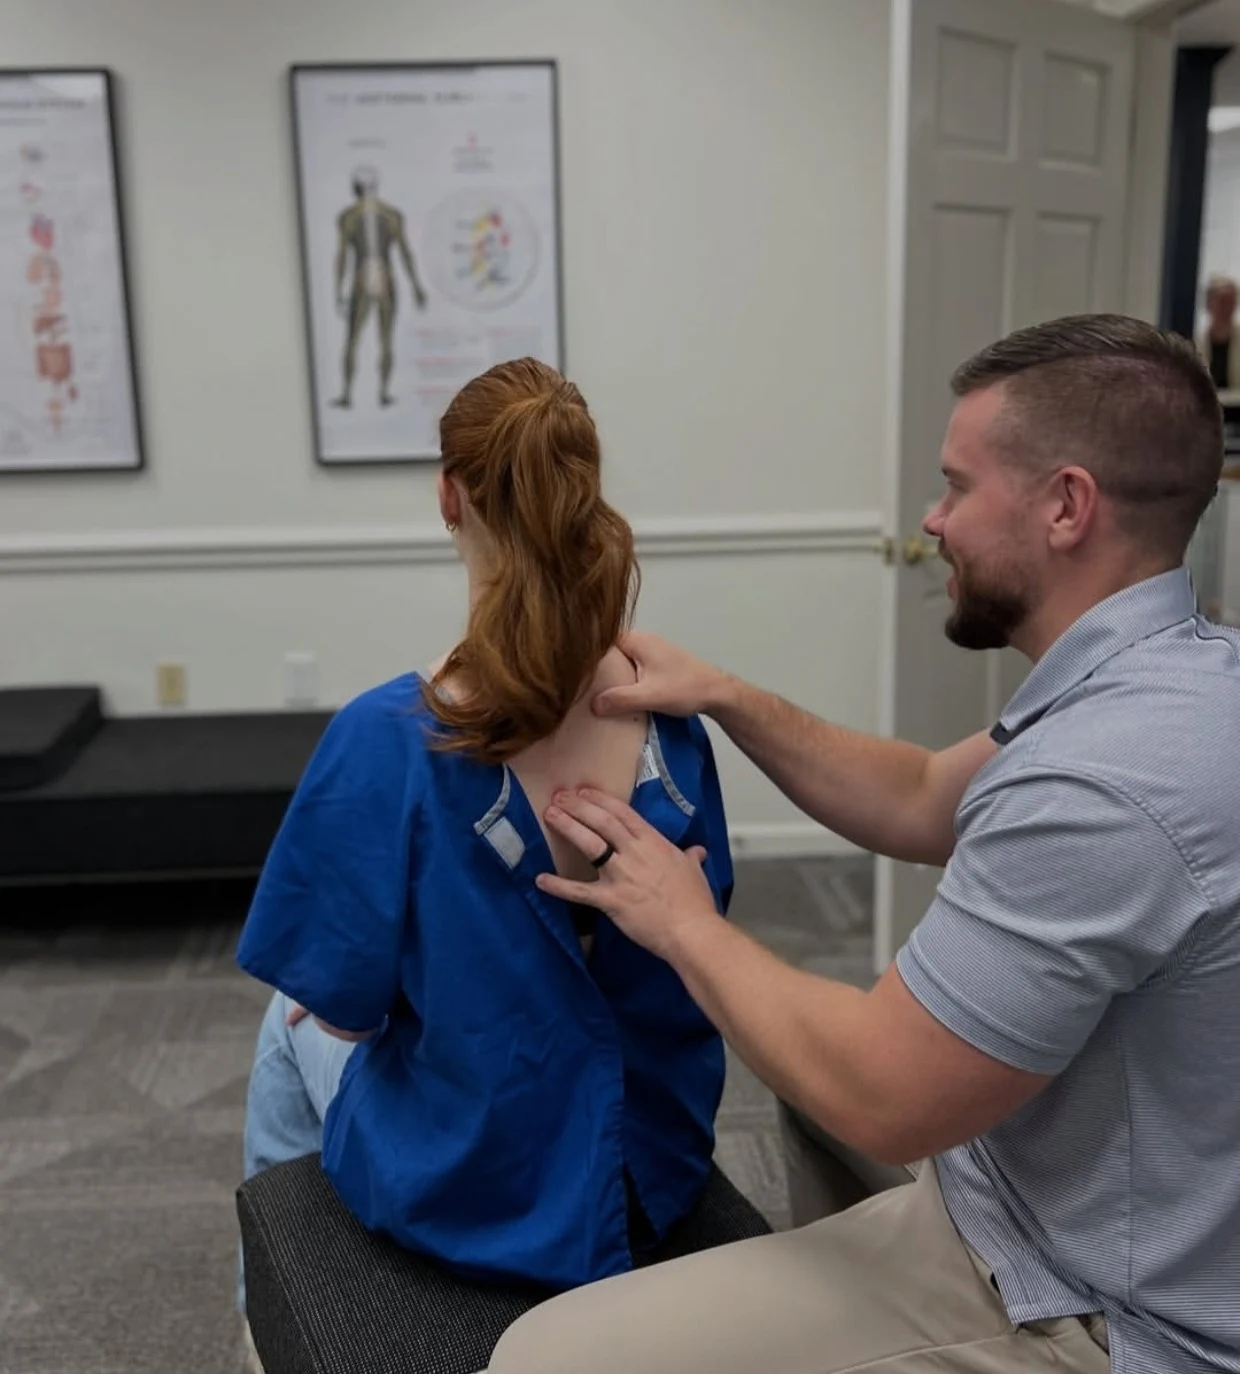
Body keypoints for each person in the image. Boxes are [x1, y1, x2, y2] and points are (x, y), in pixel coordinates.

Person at [487, 316, 1240, 1374]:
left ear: (1066, 505)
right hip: (1046, 1182)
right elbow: (923, 794)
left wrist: (682, 924)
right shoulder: (1177, 671)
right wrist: (731, 697)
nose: (930, 520)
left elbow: (882, 1099)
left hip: (1097, 1308)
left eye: (956, 486)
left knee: (542, 1358)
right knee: (808, 1092)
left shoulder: (1108, 784)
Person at [235, 360, 733, 1318]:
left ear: (448, 496)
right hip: (650, 1172)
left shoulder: (390, 740)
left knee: (285, 1022)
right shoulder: (674, 727)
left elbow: (343, 1016)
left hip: (478, 1198)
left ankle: (276, 1311)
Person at [331, 165, 428, 409]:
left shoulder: (349, 216)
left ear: (356, 187)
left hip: (363, 274)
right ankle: (383, 394)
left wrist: (338, 291)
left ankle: (347, 395)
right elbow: (405, 252)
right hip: (385, 275)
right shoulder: (391, 214)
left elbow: (342, 255)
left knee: (353, 339)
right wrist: (416, 285)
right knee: (385, 339)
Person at [1198, 275, 1240, 391]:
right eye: (1222, 301)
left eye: (1232, 301)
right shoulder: (1195, 341)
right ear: (1208, 304)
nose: (1227, 307)